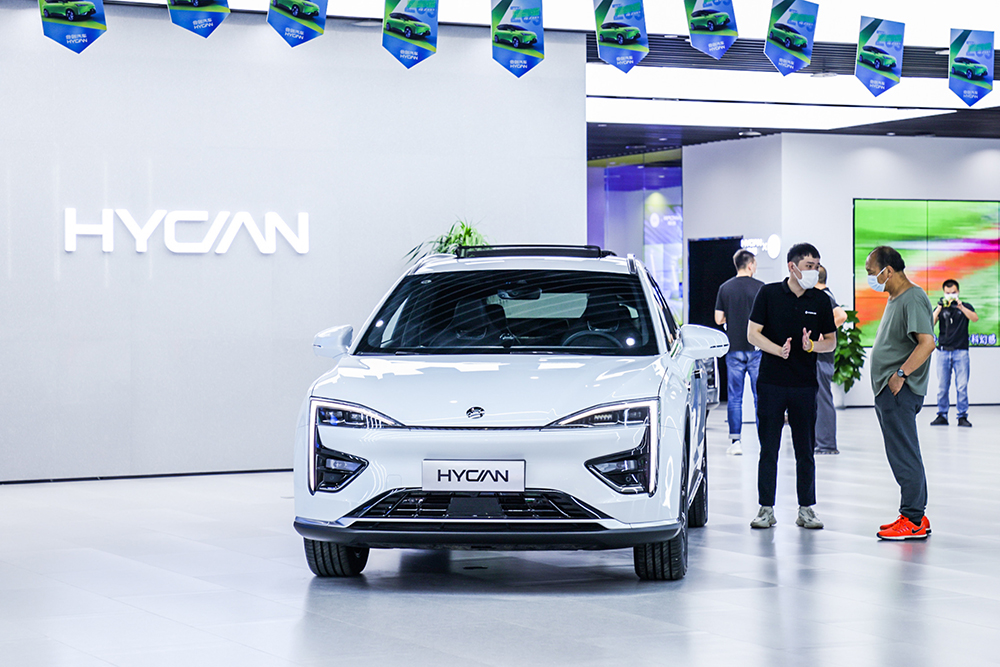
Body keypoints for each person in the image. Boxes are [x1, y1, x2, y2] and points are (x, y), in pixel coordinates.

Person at [746, 243, 836, 530]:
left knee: (805, 449)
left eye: (817, 266)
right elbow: (752, 334)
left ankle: (806, 509)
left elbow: (831, 341)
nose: (814, 271)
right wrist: (777, 350)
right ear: (792, 267)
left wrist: (812, 346)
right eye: (809, 266)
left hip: (804, 384)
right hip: (771, 383)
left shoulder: (820, 300)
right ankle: (766, 509)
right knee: (768, 449)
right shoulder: (769, 293)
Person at [865, 246, 936, 540]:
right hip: (890, 390)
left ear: (888, 270)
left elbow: (927, 342)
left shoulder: (912, 297)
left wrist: (900, 375)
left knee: (903, 454)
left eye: (872, 272)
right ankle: (916, 514)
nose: (870, 277)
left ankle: (913, 518)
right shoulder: (895, 298)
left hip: (899, 390)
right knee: (904, 452)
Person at [714, 249, 764, 456]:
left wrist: (732, 318)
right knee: (760, 397)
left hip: (734, 348)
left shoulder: (725, 288)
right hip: (756, 348)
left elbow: (718, 319)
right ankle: (765, 442)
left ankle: (736, 441)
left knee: (735, 398)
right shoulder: (761, 287)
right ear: (750, 264)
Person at [930, 279, 978, 427]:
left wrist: (961, 307)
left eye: (953, 292)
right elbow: (931, 323)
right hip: (943, 352)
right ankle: (942, 415)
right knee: (942, 387)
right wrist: (939, 307)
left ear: (958, 292)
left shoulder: (965, 306)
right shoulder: (941, 308)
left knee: (962, 386)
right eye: (948, 293)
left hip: (961, 352)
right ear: (944, 293)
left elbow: (975, 318)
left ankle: (962, 416)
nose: (951, 295)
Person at [814, 265, 848, 454]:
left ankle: (826, 444)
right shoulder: (823, 295)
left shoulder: (824, 296)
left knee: (822, 397)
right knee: (817, 397)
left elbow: (841, 315)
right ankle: (818, 441)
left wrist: (823, 331)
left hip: (822, 356)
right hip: (819, 355)